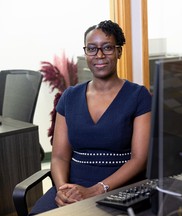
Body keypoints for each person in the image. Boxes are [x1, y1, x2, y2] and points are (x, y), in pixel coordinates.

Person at [29, 20, 152, 215]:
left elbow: (139, 159)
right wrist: (63, 191)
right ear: (85, 52)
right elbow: (60, 156)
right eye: (92, 49)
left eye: (108, 48)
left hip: (119, 188)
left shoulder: (138, 96)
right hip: (73, 186)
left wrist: (95, 190)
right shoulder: (69, 97)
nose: (99, 55)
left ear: (119, 51)